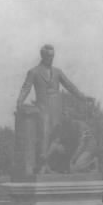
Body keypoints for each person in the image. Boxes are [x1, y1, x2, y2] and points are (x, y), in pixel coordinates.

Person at [16, 44, 86, 172]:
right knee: (45, 133)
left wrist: (82, 97)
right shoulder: (34, 72)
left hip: (57, 108)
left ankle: (54, 165)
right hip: (42, 107)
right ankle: (43, 165)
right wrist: (20, 101)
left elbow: (69, 86)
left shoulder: (58, 72)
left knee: (56, 136)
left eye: (53, 56)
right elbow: (26, 87)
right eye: (49, 56)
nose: (51, 58)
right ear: (42, 56)